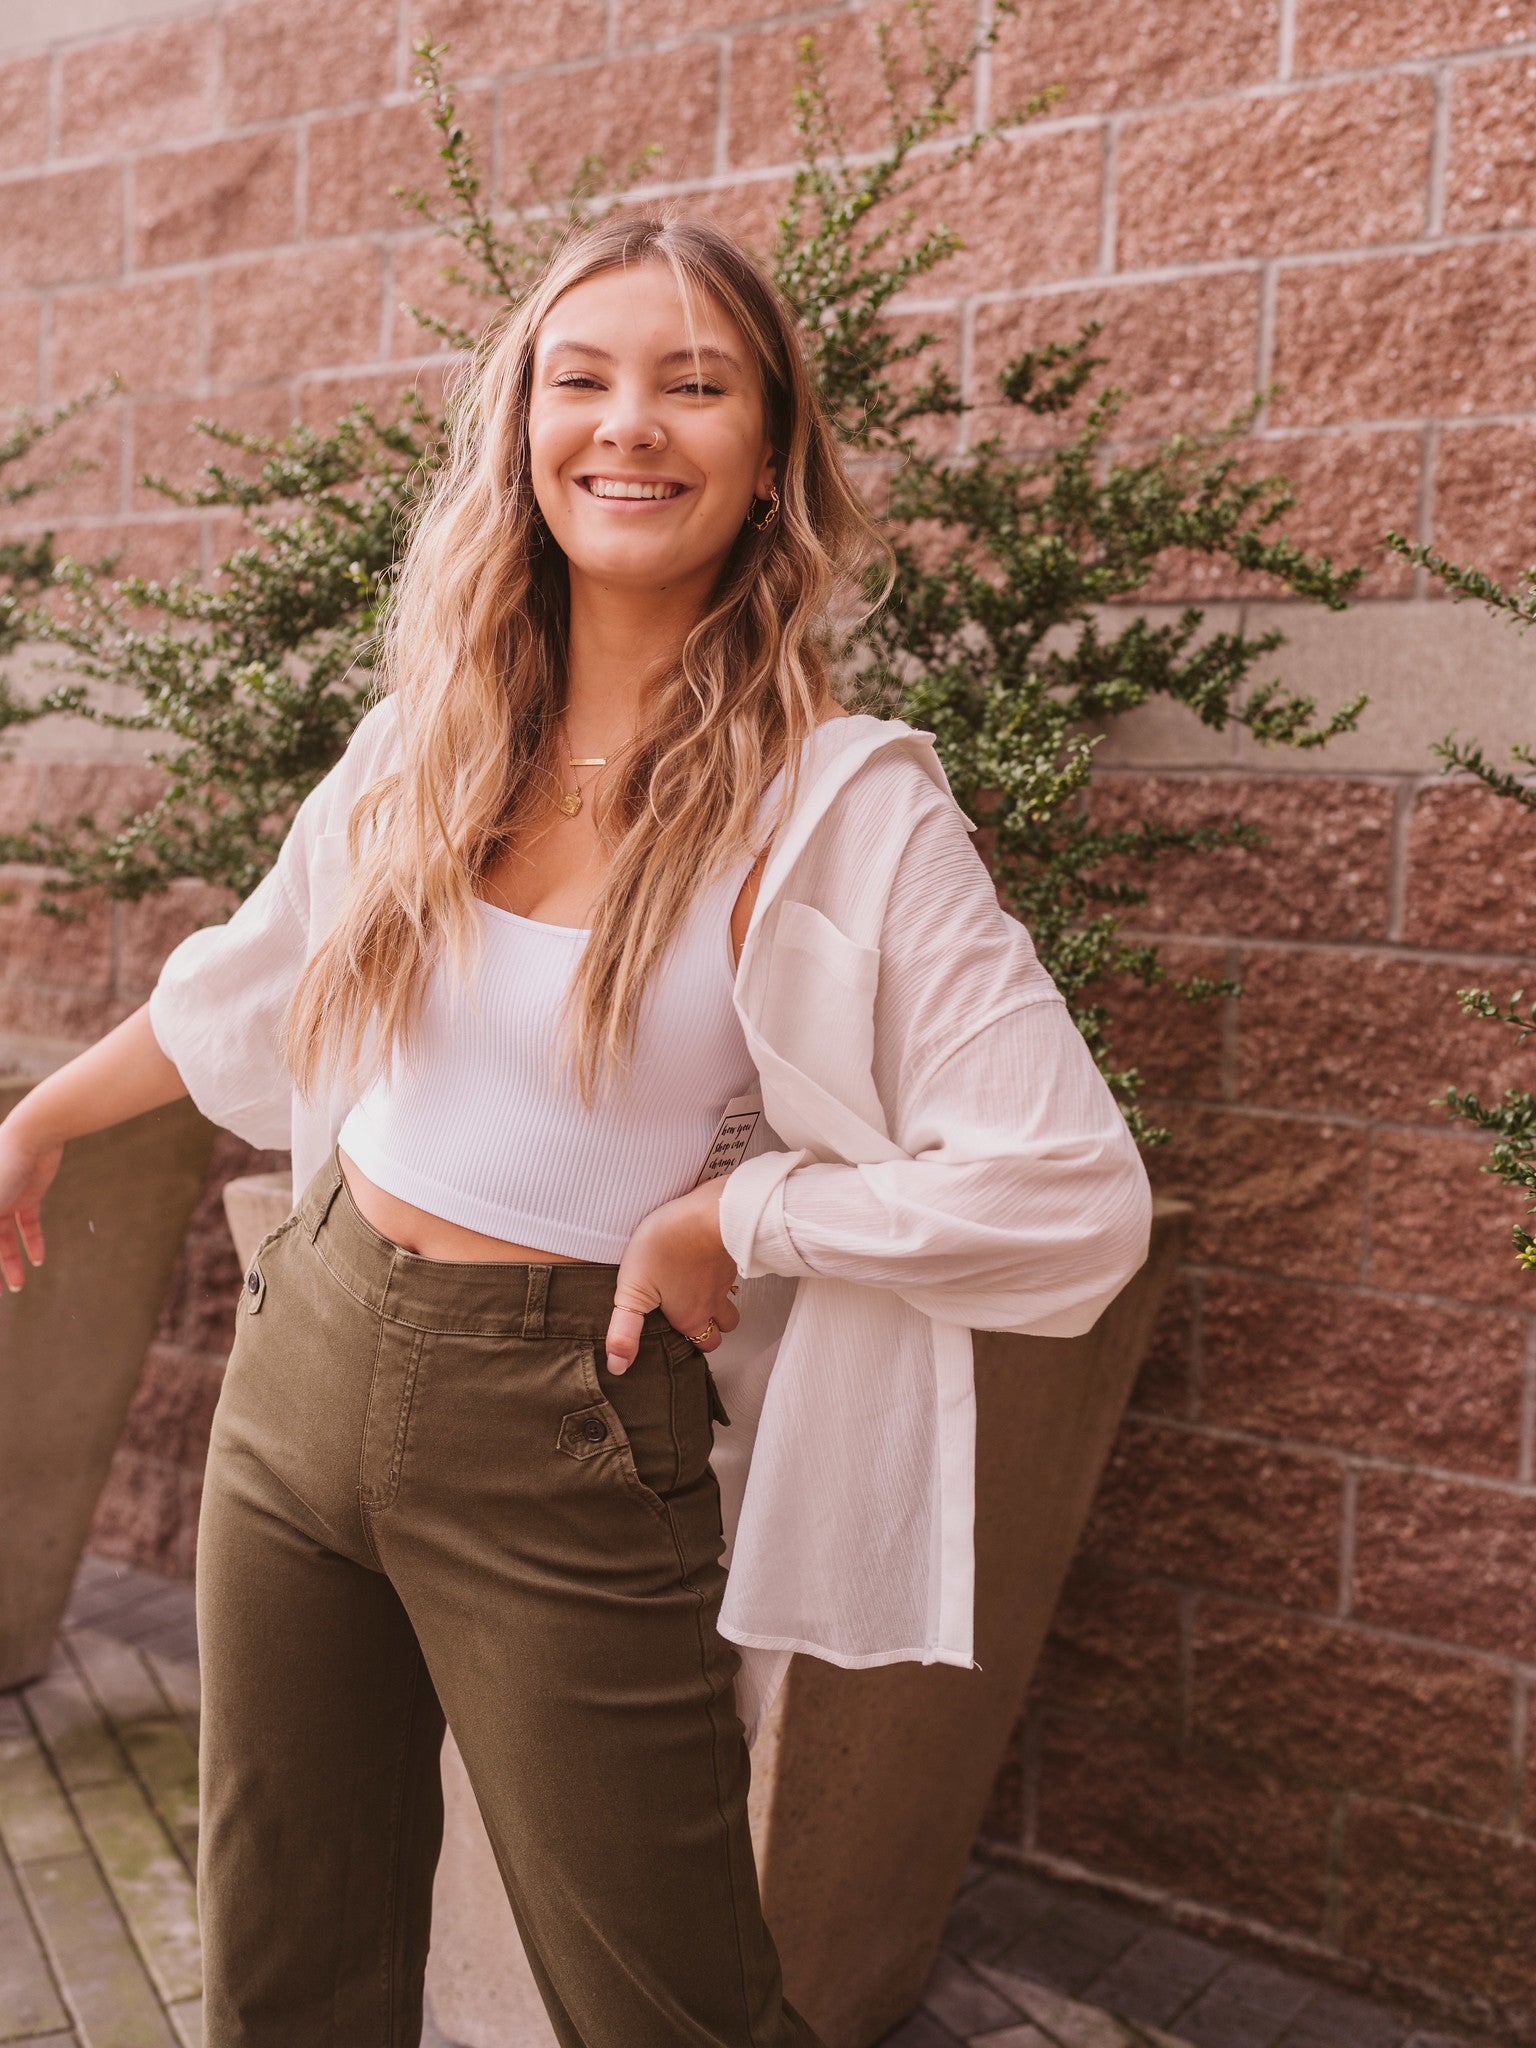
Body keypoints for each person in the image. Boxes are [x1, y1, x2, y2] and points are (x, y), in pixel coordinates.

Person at [0, 213, 1152, 2048]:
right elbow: (261, 969)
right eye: (582, 378)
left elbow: (1078, 1195)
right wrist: (44, 1116)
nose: (630, 424)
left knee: (667, 2003)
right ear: (522, 431)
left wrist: (747, 1220)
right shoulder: (432, 735)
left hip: (566, 1427)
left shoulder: (849, 811)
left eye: (695, 384)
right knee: (284, 1963)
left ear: (771, 451)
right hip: (299, 1372)